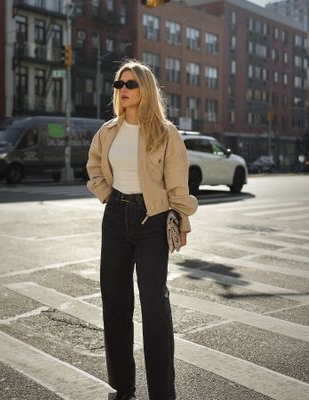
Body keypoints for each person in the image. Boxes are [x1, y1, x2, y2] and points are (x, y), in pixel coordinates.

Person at [86, 60, 198, 400]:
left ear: (145, 89)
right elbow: (94, 167)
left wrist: (181, 221)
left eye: (130, 84)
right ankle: (122, 388)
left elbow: (178, 184)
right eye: (119, 84)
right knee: (115, 304)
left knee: (154, 306)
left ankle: (162, 393)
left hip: (152, 220)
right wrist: (106, 194)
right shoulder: (108, 131)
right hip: (116, 218)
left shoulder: (165, 133)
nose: (123, 90)